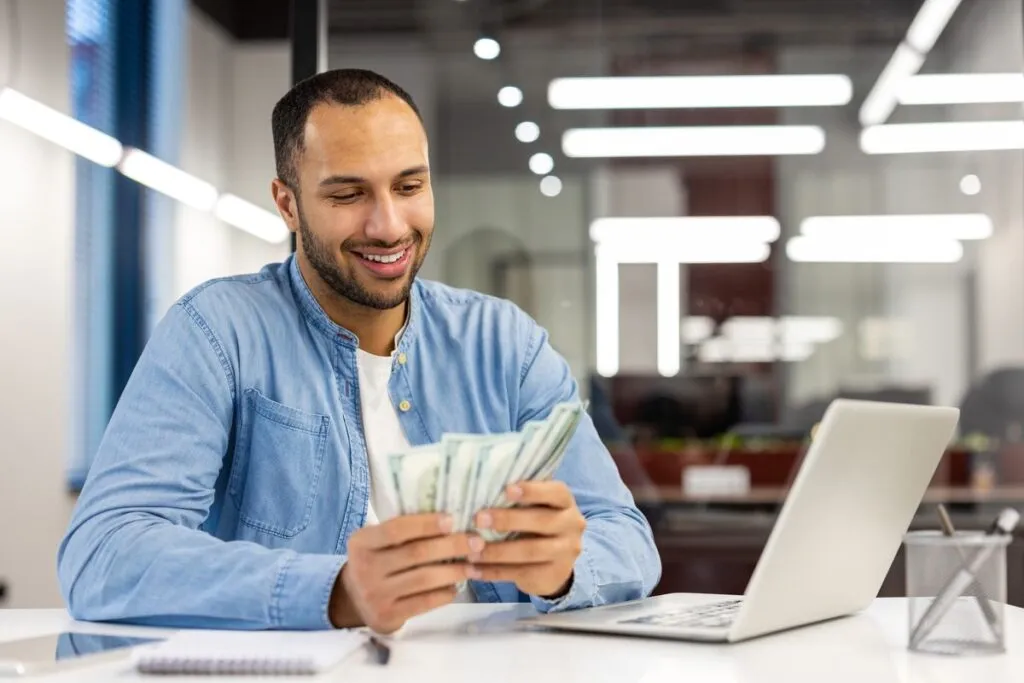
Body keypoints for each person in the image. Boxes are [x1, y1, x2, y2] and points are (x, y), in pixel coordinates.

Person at [58, 69, 660, 634]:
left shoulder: (506, 344)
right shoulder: (217, 332)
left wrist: (562, 571)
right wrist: (335, 591)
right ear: (288, 204)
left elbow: (625, 537)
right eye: (348, 195)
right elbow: (105, 552)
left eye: (409, 186)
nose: (389, 225)